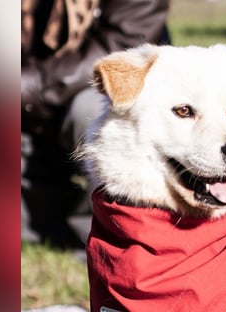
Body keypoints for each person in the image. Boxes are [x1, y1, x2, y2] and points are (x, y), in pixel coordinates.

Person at [22, 0, 169, 248]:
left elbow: (118, 49)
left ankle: (108, 236)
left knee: (93, 111)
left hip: (93, 86)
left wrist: (26, 87)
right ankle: (49, 212)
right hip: (31, 103)